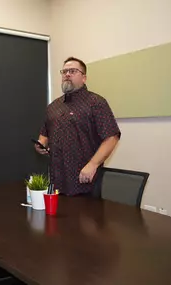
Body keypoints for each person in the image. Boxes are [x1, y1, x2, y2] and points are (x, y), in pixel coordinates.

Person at [35, 57, 121, 197]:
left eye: (73, 71)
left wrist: (93, 164)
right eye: (64, 72)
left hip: (85, 180)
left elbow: (112, 137)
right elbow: (44, 135)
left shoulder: (96, 102)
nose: (67, 74)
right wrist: (40, 145)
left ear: (84, 78)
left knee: (86, 219)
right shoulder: (53, 107)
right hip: (57, 181)